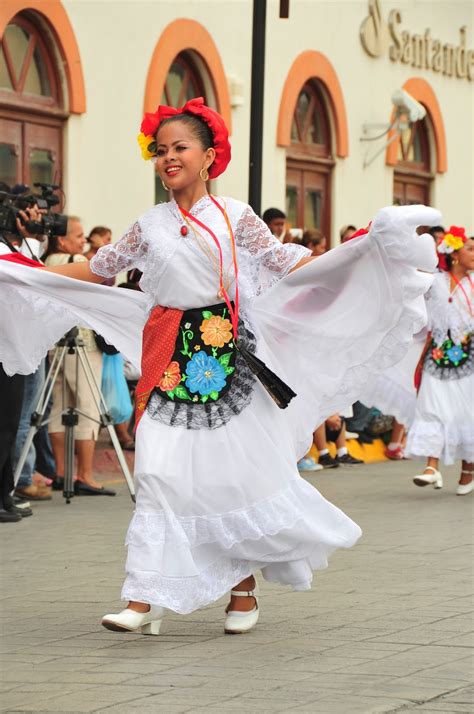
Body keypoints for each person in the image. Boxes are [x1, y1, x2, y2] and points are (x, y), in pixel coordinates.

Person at [0, 97, 440, 633]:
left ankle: (243, 592)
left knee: (227, 478)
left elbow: (288, 262)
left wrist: (363, 248)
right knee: (159, 471)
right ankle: (143, 597)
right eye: (159, 150)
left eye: (179, 148)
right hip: (168, 356)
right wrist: (19, 270)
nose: (168, 158)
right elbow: (98, 269)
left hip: (226, 357)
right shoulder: (148, 225)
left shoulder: (235, 217)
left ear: (209, 156)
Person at [43, 217, 115, 496]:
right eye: (78, 236)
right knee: (87, 406)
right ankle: (84, 474)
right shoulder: (74, 260)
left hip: (55, 341)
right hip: (81, 340)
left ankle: (61, 472)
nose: (83, 241)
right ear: (62, 239)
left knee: (59, 405)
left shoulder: (48, 262)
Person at [407, 227, 474, 495]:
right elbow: (409, 290)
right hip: (437, 355)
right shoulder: (434, 281)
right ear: (454, 254)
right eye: (470, 248)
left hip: (469, 358)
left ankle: (468, 470)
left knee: (466, 412)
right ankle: (431, 468)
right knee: (430, 407)